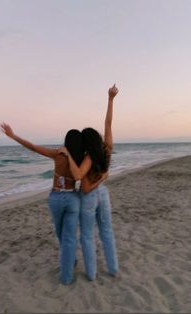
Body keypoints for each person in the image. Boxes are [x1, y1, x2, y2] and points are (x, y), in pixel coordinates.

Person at [0, 124, 84, 285]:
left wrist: (13, 136)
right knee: (68, 237)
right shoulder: (80, 158)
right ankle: (71, 261)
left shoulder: (59, 154)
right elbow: (81, 175)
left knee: (62, 236)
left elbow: (33, 147)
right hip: (73, 199)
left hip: (57, 198)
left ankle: (66, 276)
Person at [60, 84, 119, 281]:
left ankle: (92, 274)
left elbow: (83, 185)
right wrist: (110, 100)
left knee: (86, 236)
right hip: (104, 194)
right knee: (107, 232)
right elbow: (108, 124)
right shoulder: (107, 148)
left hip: (90, 197)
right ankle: (112, 269)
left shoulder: (87, 159)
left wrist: (69, 156)